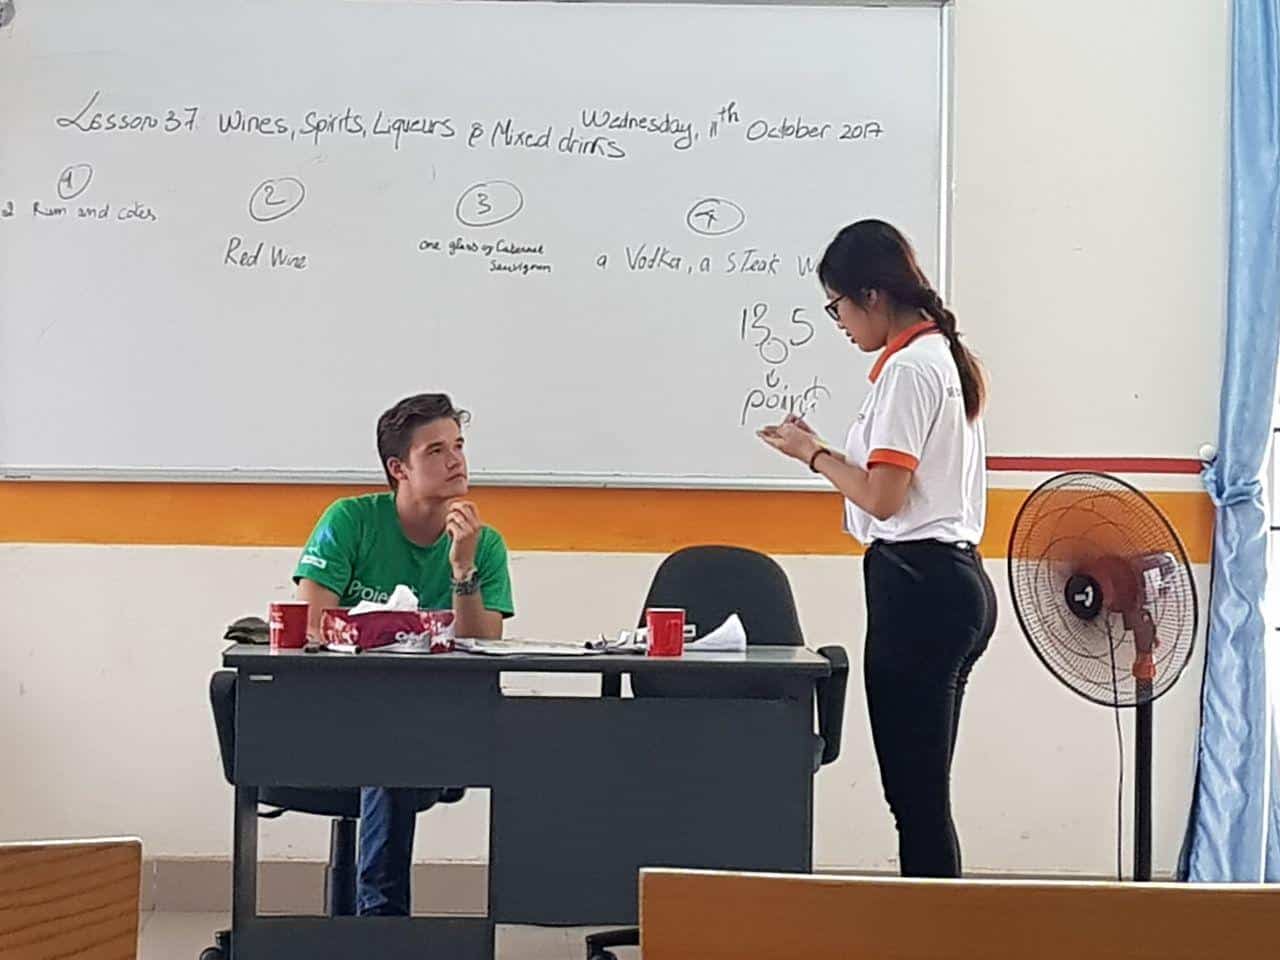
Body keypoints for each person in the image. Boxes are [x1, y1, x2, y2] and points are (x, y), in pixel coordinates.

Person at [758, 219, 997, 878]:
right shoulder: (937, 357)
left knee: (914, 801)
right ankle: (933, 922)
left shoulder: (910, 370)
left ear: (872, 294)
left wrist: (812, 455)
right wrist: (824, 449)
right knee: (923, 796)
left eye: (836, 305)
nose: (837, 321)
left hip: (919, 591)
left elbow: (883, 498)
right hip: (948, 584)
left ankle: (930, 927)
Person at [292, 392, 514, 915]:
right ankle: (382, 926)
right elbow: (312, 624)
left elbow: (482, 643)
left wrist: (462, 569)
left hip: (434, 724)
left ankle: (380, 925)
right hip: (337, 715)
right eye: (436, 450)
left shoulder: (482, 544)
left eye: (458, 446)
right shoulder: (351, 520)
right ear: (399, 469)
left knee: (395, 742)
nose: (456, 460)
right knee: (387, 741)